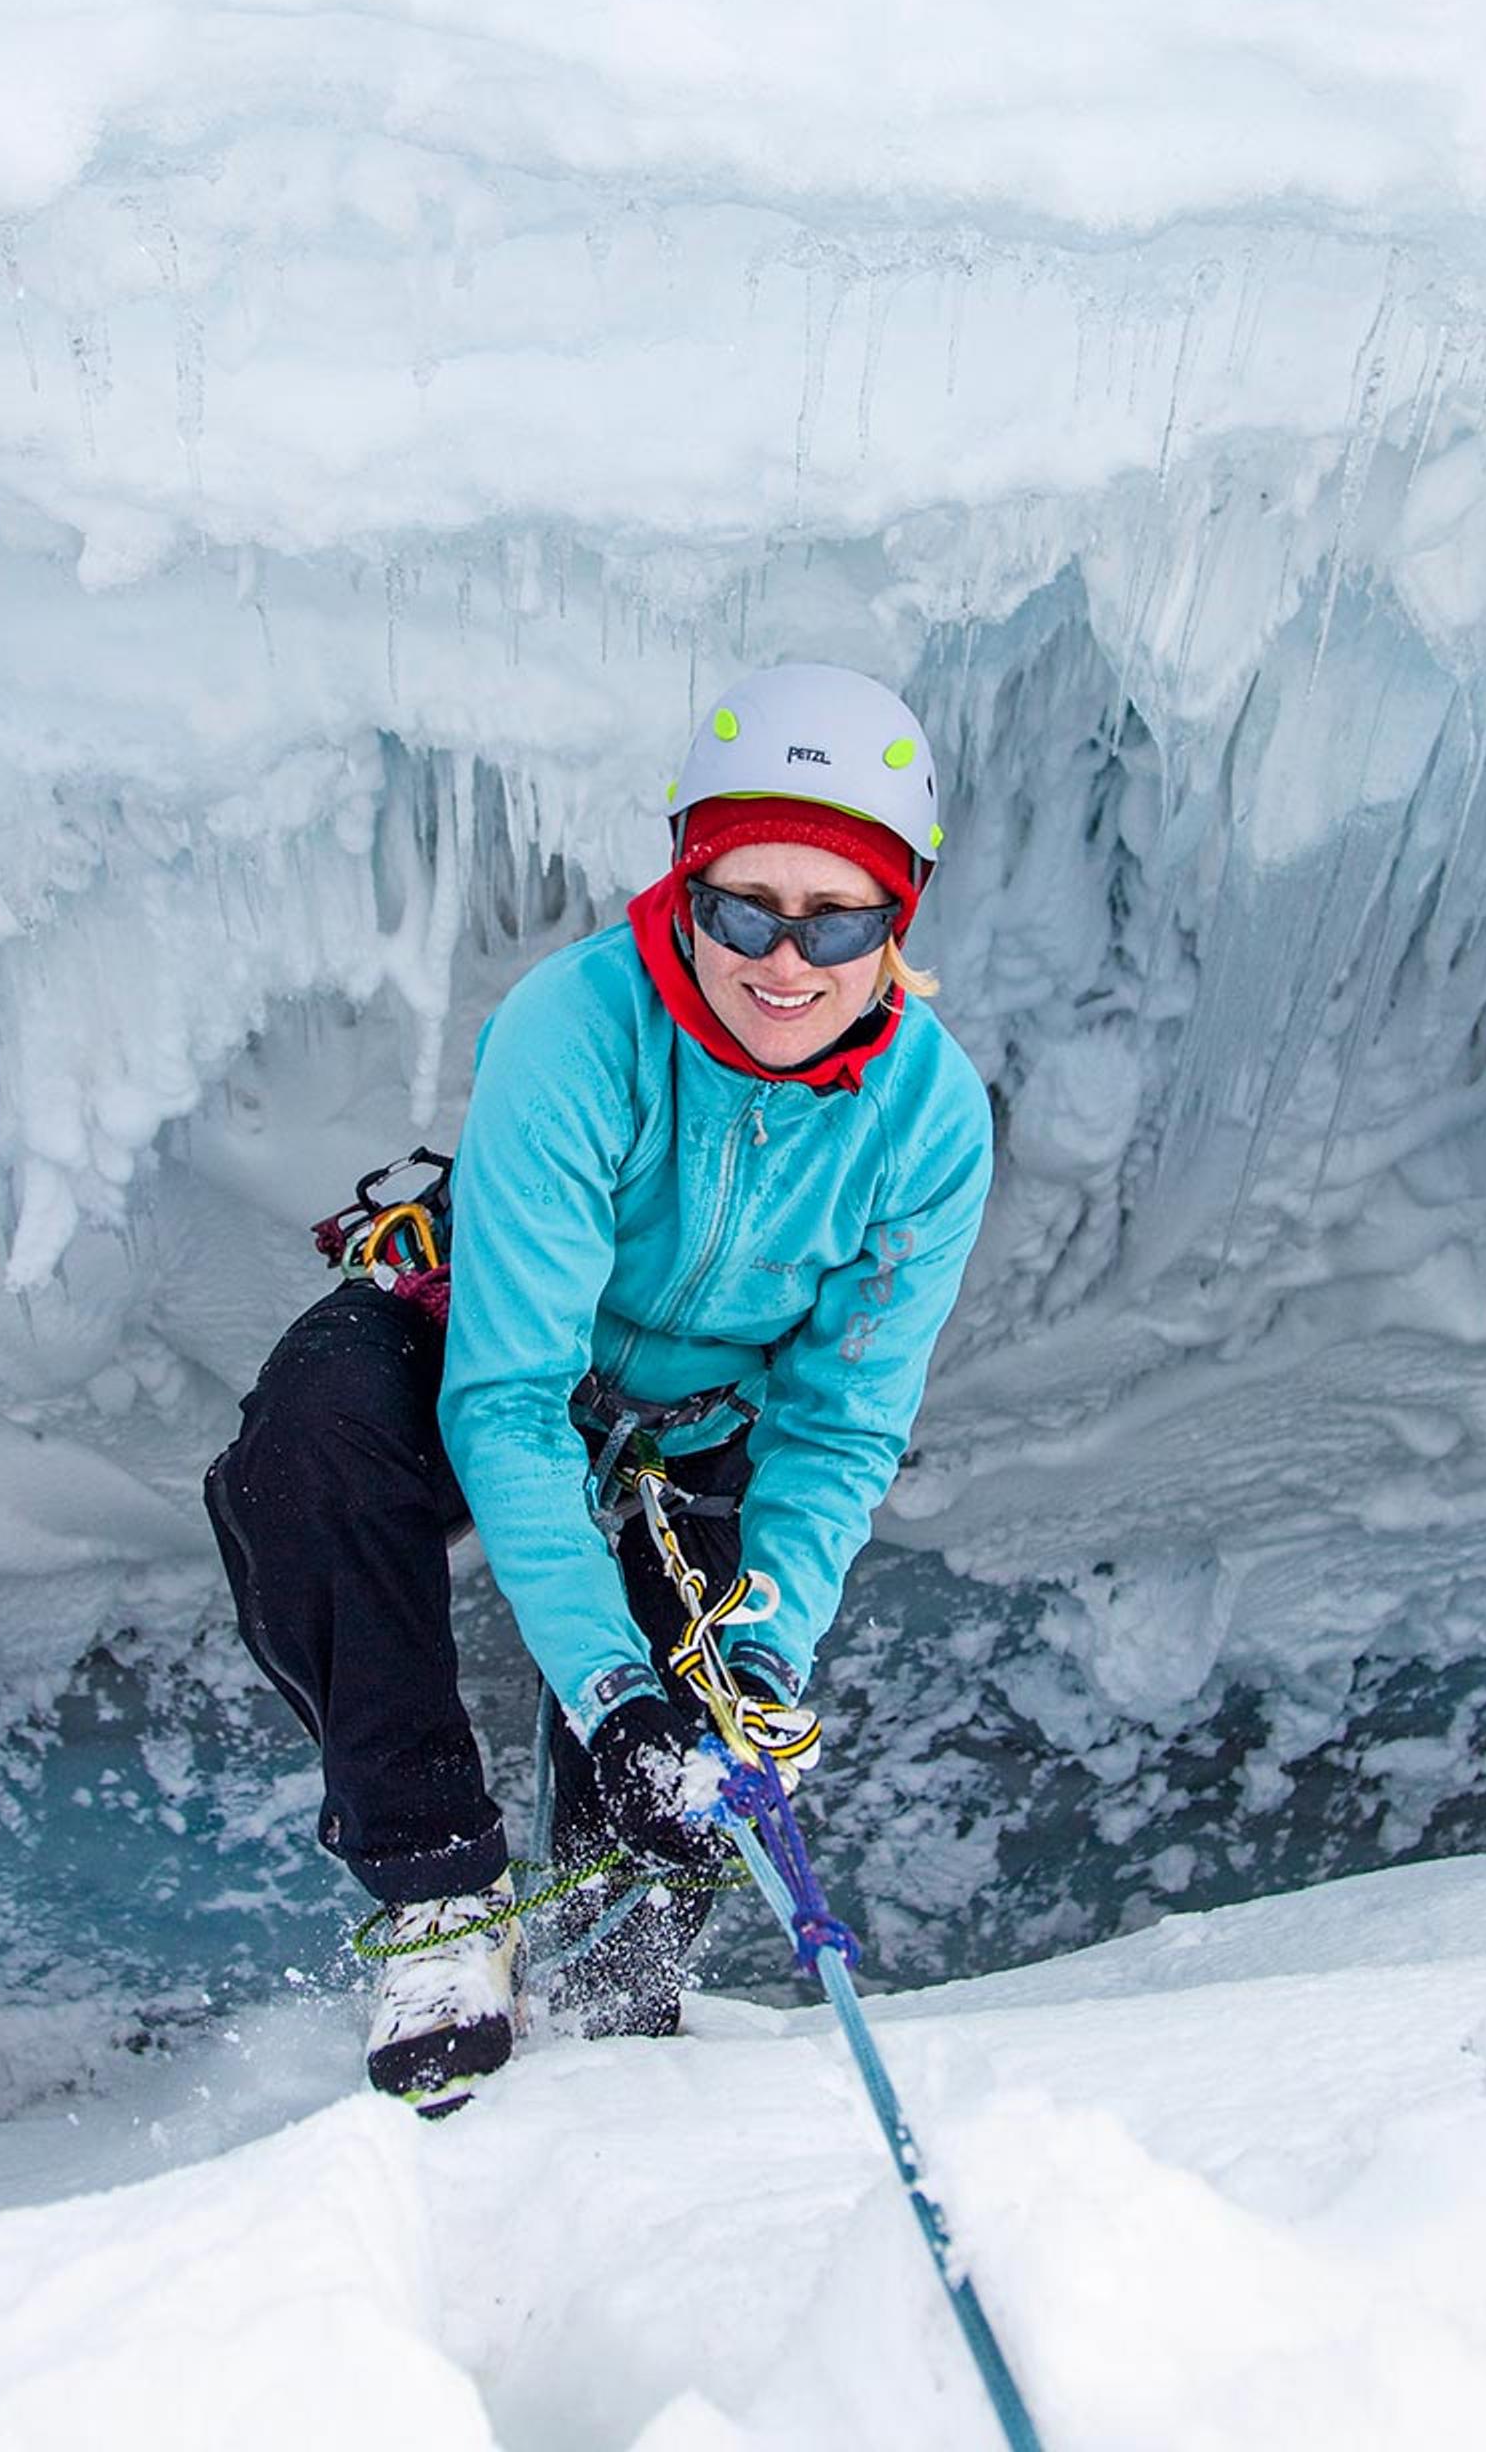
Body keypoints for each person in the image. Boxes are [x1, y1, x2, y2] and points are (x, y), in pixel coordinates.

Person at [203, 663, 995, 2112]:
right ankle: (440, 1898)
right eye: (743, 908)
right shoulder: (578, 1024)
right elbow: (507, 1399)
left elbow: (839, 1429)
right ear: (686, 885)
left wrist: (750, 1662)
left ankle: (621, 1985)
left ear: (903, 922)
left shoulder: (929, 1124)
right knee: (304, 1452)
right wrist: (614, 1685)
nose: (785, 962)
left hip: (706, 1430)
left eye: (840, 921)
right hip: (497, 1344)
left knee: (679, 1784)